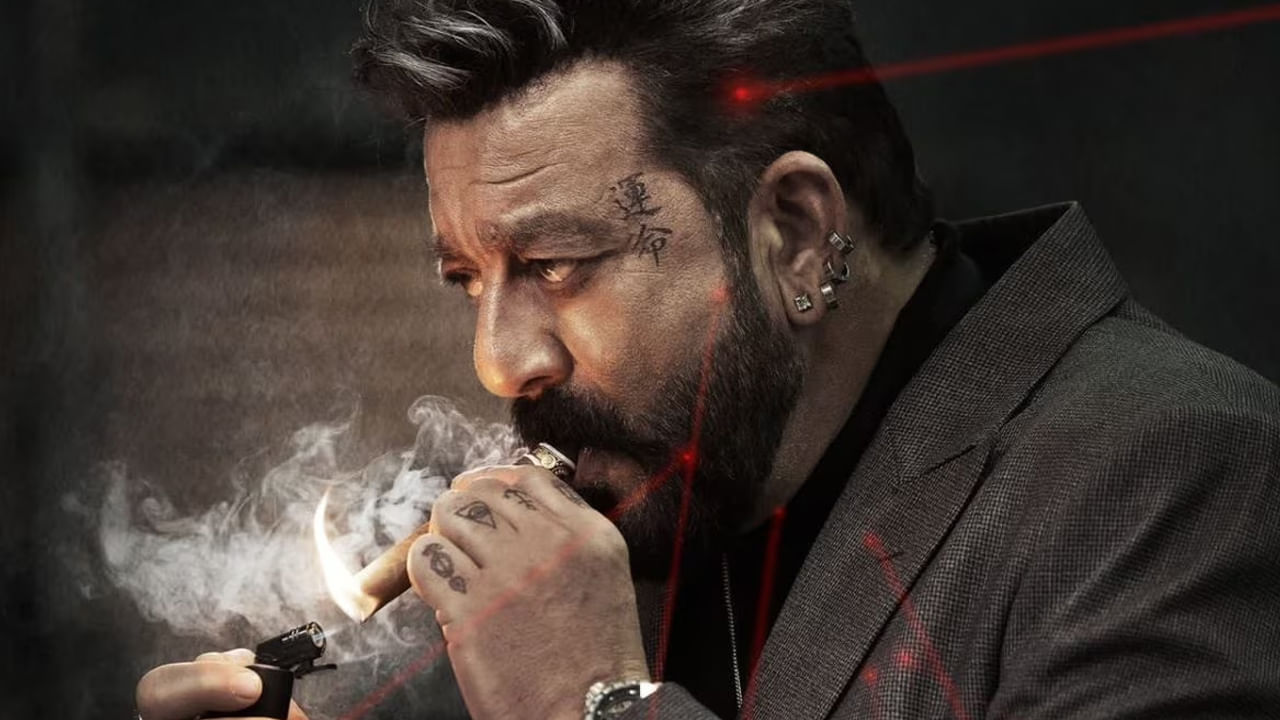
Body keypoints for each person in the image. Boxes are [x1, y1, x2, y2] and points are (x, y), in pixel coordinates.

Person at [134, 1, 1280, 718]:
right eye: (469, 279)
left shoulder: (1173, 478)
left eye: (557, 263)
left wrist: (594, 704)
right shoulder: (649, 515)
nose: (500, 363)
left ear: (792, 234)